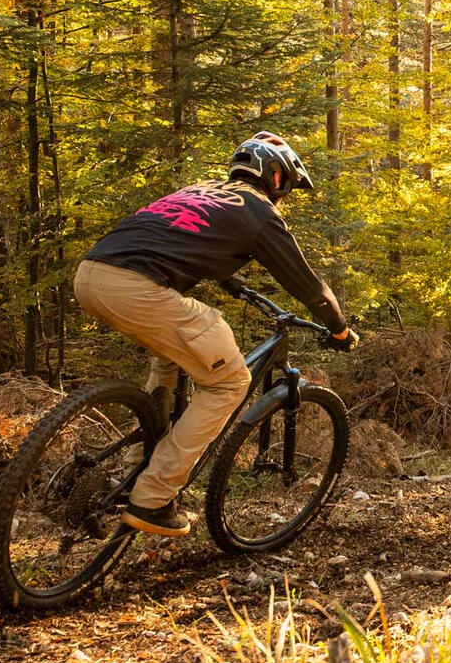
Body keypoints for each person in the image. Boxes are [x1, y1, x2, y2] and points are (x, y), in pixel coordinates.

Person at [72, 131, 357, 537]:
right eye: (287, 187)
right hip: (137, 287)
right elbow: (310, 287)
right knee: (230, 381)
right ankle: (153, 497)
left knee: (170, 358)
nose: (285, 196)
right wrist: (340, 329)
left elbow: (181, 239)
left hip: (91, 274)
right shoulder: (259, 212)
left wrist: (232, 282)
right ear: (276, 177)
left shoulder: (200, 190)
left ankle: (140, 459)